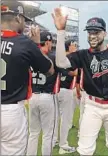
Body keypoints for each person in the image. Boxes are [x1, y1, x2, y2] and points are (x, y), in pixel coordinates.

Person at [52, 8, 108, 156]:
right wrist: (61, 31)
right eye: (89, 32)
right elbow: (61, 62)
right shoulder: (83, 55)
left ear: (105, 33)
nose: (92, 35)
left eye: (96, 32)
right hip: (92, 106)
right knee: (85, 149)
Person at [1, 2, 54, 155]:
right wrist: (36, 44)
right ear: (18, 18)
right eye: (23, 19)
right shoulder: (24, 44)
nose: (24, 23)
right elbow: (49, 69)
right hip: (11, 110)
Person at [26, 31, 58, 156]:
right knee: (47, 134)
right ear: (48, 42)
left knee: (33, 133)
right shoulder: (52, 56)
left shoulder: (30, 56)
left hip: (33, 96)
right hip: (46, 96)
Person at [56, 40, 78, 154]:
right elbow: (74, 73)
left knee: (56, 118)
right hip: (66, 90)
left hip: (56, 90)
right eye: (73, 45)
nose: (75, 47)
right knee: (66, 119)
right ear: (69, 47)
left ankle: (54, 140)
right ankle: (63, 145)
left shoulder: (59, 57)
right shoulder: (70, 58)